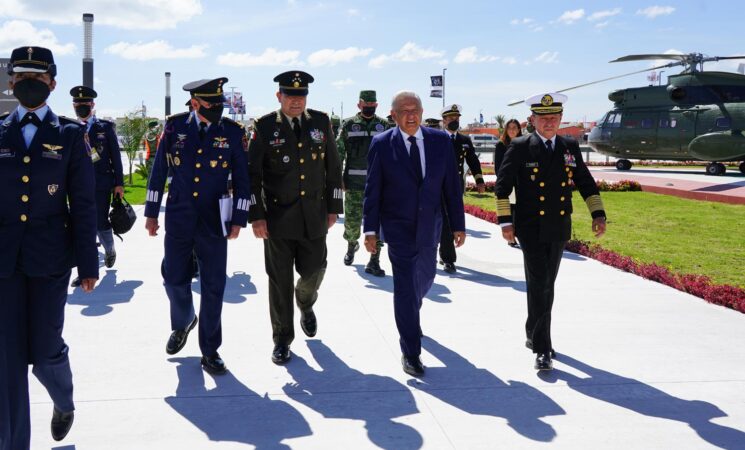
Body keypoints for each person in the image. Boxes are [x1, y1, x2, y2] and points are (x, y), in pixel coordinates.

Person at [0, 46, 98, 447]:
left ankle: (63, 399)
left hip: (50, 259)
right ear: (10, 82)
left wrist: (89, 264)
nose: (28, 84)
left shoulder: (71, 135)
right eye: (21, 77)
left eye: (37, 78)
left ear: (52, 84)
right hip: (3, 261)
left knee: (44, 351)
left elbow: (84, 202)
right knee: (6, 365)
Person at [145, 77, 251, 375]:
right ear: (195, 103)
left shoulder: (231, 132)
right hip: (179, 215)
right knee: (173, 278)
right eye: (211, 104)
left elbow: (243, 178)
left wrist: (239, 218)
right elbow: (158, 171)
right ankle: (183, 321)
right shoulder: (175, 127)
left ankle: (210, 350)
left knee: (214, 286)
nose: (218, 108)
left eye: (220, 103)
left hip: (215, 218)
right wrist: (151, 213)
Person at [495, 93, 607, 371]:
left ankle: (533, 331)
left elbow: (584, 180)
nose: (549, 123)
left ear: (560, 120)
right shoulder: (521, 146)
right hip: (530, 226)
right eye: (543, 119)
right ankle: (543, 348)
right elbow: (503, 185)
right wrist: (505, 223)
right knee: (540, 284)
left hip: (558, 225)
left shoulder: (569, 146)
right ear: (532, 120)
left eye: (554, 118)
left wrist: (598, 213)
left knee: (546, 284)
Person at [363, 91, 465, 376]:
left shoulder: (440, 141)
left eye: (416, 109)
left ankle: (411, 313)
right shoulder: (381, 144)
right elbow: (373, 190)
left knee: (426, 277)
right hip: (397, 227)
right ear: (393, 115)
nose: (411, 115)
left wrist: (458, 224)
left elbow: (451, 187)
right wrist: (370, 230)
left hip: (429, 227)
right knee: (406, 286)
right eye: (404, 111)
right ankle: (411, 351)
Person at [248, 70, 343, 364]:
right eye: (290, 96)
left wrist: (333, 208)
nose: (296, 101)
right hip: (277, 220)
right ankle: (281, 340)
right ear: (280, 97)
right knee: (279, 282)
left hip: (314, 216)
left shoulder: (320, 122)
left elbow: (333, 168)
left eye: (301, 96)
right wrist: (256, 216)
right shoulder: (264, 127)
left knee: (315, 270)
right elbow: (253, 176)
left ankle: (305, 302)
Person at [68, 86, 124, 288]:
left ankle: (109, 249)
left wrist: (119, 183)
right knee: (81, 227)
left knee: (100, 222)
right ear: (73, 106)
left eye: (85, 104)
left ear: (92, 105)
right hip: (76, 186)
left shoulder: (105, 128)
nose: (81, 107)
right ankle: (84, 271)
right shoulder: (68, 129)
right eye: (78, 105)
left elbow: (115, 158)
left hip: (101, 183)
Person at [337, 90, 390, 275]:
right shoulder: (349, 124)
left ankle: (374, 260)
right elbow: (339, 152)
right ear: (359, 105)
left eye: (372, 106)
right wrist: (338, 178)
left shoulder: (384, 125)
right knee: (352, 223)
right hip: (353, 182)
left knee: (377, 223)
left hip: (379, 185)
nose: (368, 108)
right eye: (365, 106)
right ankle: (352, 245)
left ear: (376, 105)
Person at [439, 104, 485, 273]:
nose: (454, 121)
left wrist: (479, 180)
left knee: (452, 219)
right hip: (439, 186)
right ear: (444, 121)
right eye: (451, 119)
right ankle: (448, 258)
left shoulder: (464, 140)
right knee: (444, 221)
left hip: (456, 184)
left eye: (457, 118)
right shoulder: (437, 138)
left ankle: (444, 252)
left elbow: (473, 160)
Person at [494, 118, 522, 248]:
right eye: (509, 128)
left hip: (522, 183)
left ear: (519, 129)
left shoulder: (524, 144)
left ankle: (520, 234)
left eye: (514, 127)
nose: (512, 130)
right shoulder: (501, 145)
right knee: (509, 210)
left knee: (520, 210)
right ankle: (511, 237)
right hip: (508, 184)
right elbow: (498, 167)